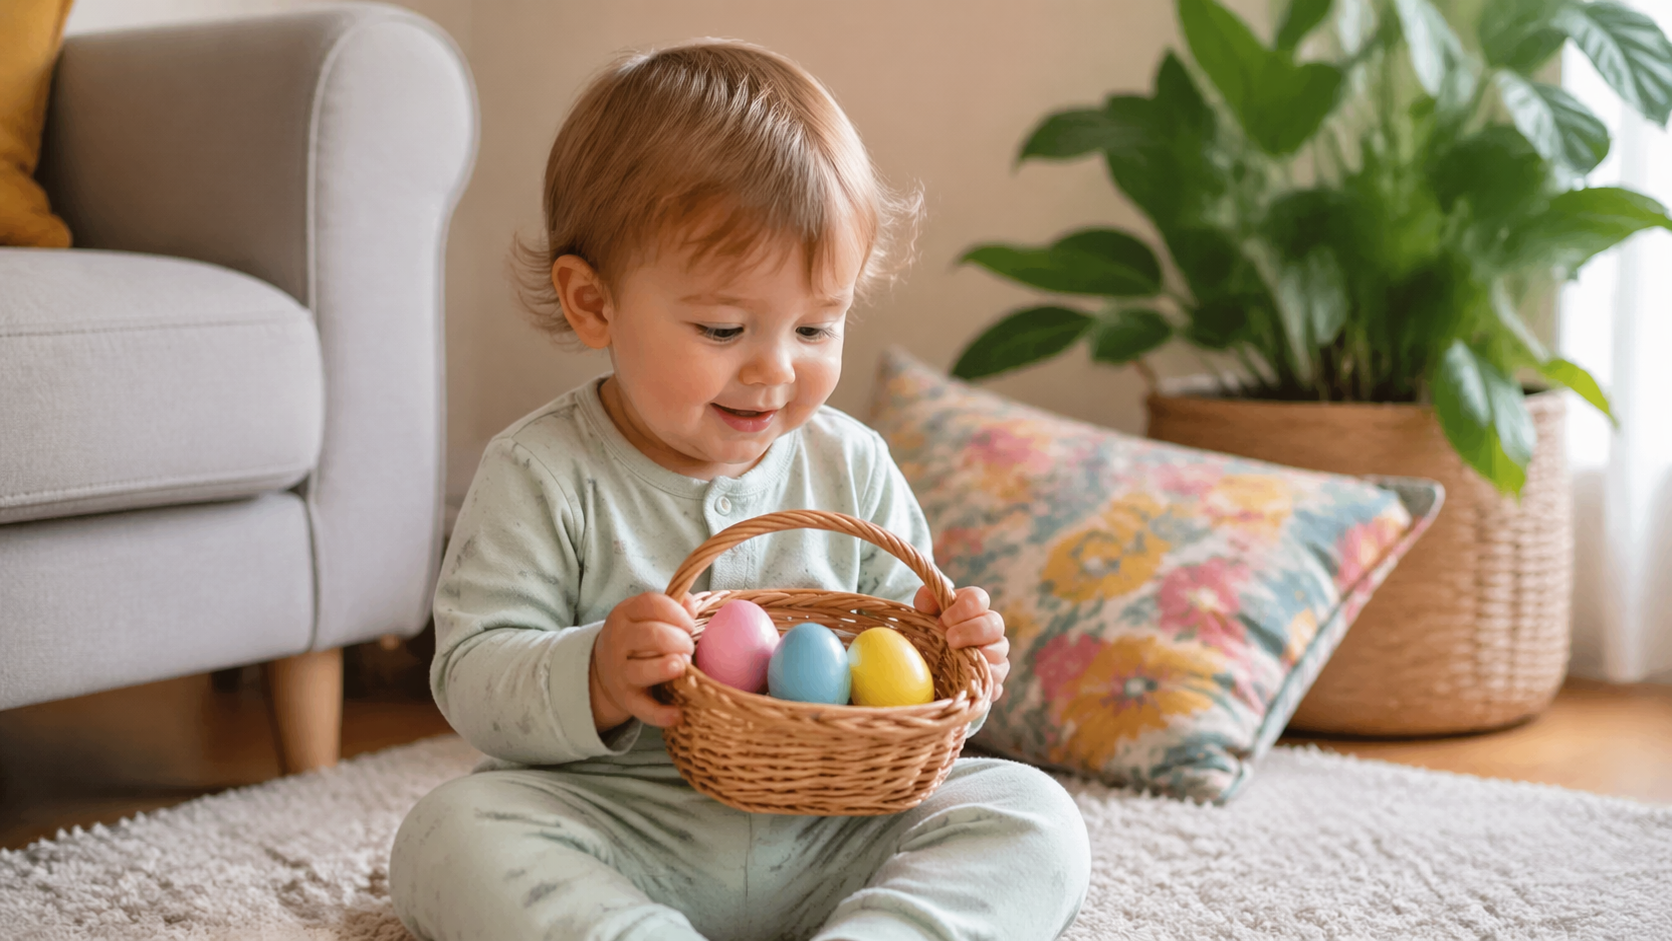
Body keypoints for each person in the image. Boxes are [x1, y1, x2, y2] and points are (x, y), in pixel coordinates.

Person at [388, 39, 1091, 941]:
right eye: (723, 326)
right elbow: (470, 672)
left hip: (837, 832)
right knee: (448, 837)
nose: (774, 368)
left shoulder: (852, 463)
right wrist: (594, 671)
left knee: (1034, 815)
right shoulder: (541, 470)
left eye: (814, 325)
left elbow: (895, 661)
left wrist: (960, 662)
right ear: (593, 303)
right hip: (626, 825)